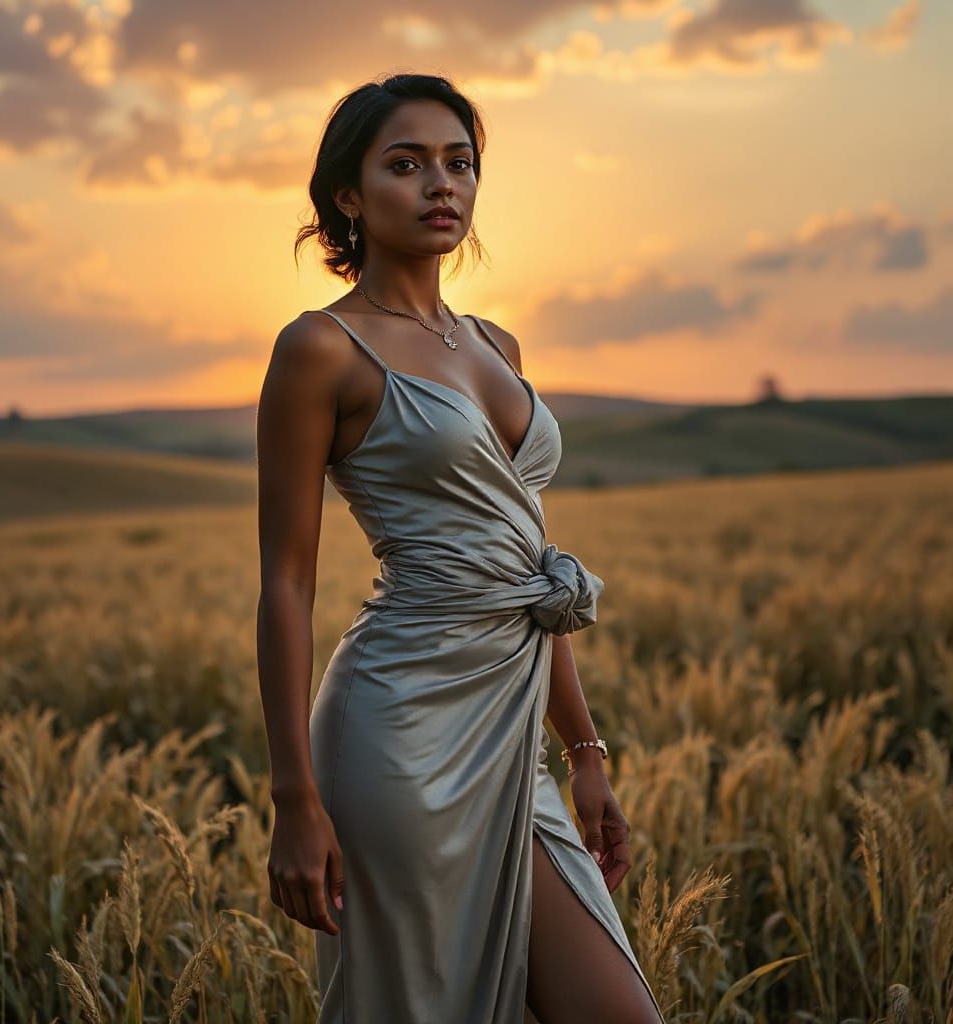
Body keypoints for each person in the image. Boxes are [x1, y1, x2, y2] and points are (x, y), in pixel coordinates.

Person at [255, 72, 666, 1024]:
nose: (442, 183)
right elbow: (285, 582)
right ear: (348, 197)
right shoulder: (320, 348)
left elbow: (529, 568)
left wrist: (585, 749)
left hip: (517, 733)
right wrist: (294, 799)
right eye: (406, 164)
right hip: (399, 729)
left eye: (460, 162)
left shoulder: (499, 346)